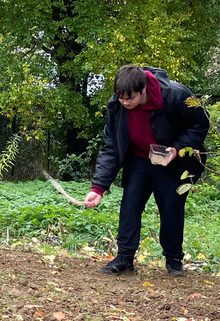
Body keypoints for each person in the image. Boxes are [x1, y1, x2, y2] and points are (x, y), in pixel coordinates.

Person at [84, 65, 209, 275]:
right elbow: (111, 146)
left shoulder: (176, 95)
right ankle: (124, 260)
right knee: (129, 205)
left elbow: (200, 125)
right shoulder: (116, 104)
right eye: (120, 97)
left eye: (130, 98)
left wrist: (177, 149)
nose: (125, 102)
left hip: (172, 162)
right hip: (139, 160)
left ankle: (174, 262)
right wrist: (98, 188)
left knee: (171, 208)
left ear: (143, 90)